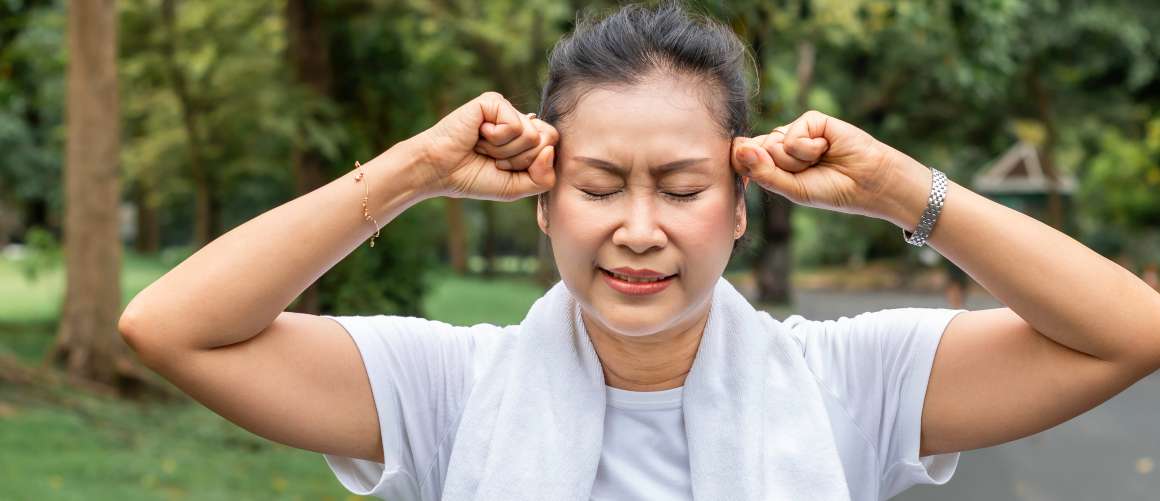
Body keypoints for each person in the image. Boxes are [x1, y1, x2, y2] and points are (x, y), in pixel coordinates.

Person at [117, 2, 1160, 501]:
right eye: (600, 184)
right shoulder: (448, 387)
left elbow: (1125, 334)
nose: (637, 227)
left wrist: (897, 190)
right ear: (541, 201)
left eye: (680, 185)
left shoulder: (846, 380)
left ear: (739, 206)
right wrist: (412, 171)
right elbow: (170, 330)